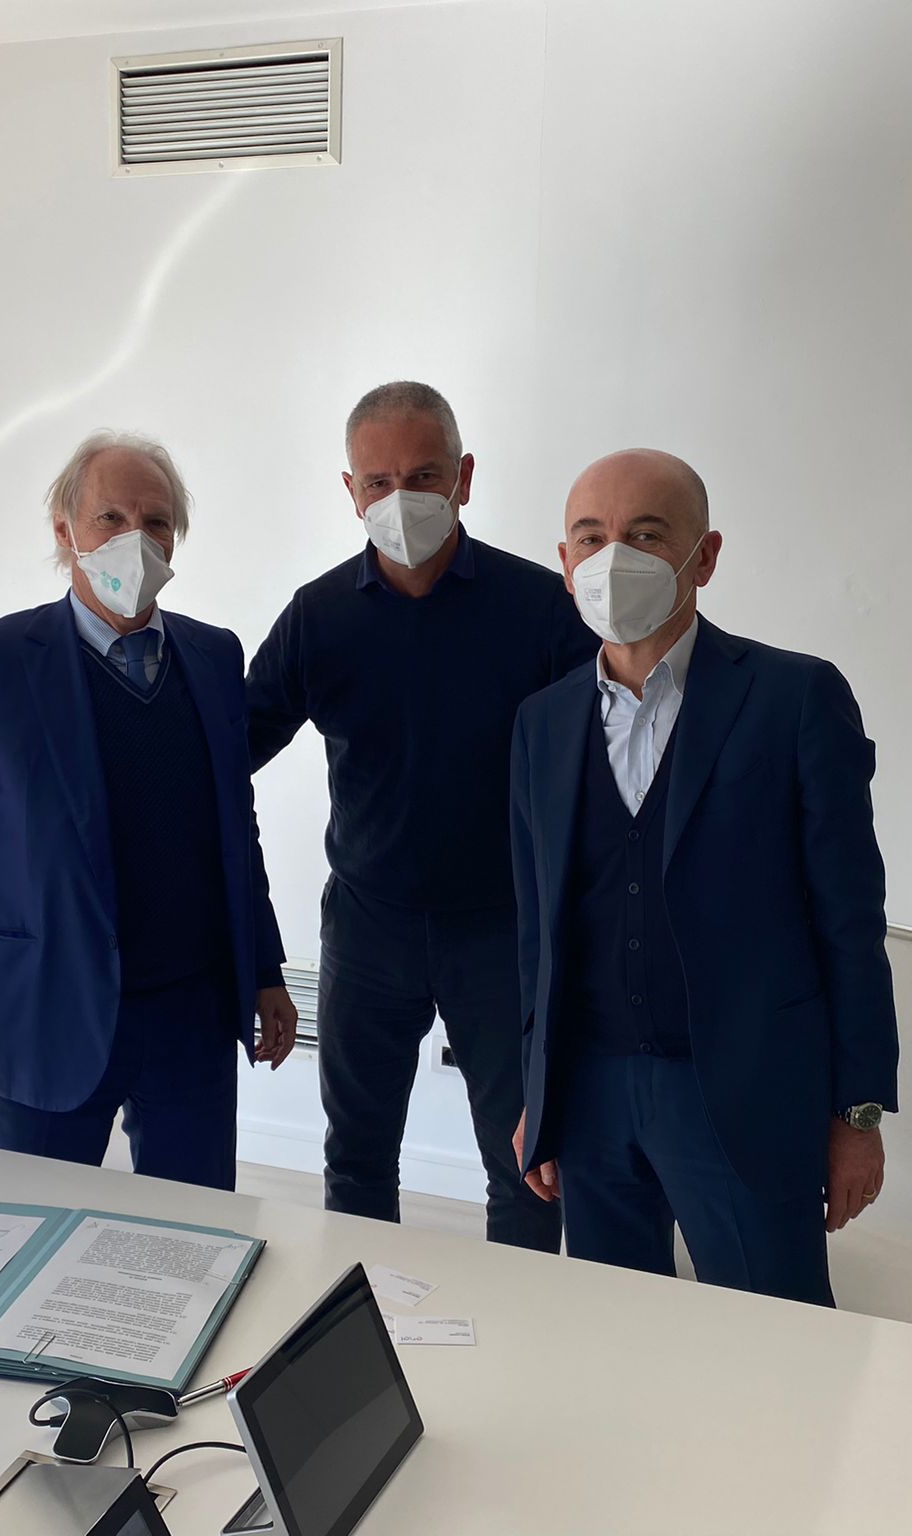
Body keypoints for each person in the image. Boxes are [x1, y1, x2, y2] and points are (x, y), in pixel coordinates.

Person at [509, 449, 898, 1303]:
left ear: (705, 555)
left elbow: (849, 922)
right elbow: (539, 930)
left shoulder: (796, 699)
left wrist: (858, 1114)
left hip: (742, 1092)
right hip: (592, 1094)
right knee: (621, 1334)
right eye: (592, 537)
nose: (616, 558)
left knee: (777, 1339)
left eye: (647, 535)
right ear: (566, 562)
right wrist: (538, 1093)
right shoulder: (542, 723)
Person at [0, 431, 298, 1190]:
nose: (135, 538)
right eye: (111, 517)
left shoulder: (213, 657)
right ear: (64, 529)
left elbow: (236, 828)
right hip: (43, 1015)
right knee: (26, 1228)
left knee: (192, 1236)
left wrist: (264, 968)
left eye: (156, 521)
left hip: (190, 1019)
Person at [247, 382, 595, 1249]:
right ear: (351, 492)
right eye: (379, 482)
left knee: (527, 1166)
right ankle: (364, 1316)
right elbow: (225, 754)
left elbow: (610, 769)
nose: (400, 499)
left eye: (424, 475)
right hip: (369, 928)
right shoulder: (319, 617)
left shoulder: (541, 609)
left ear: (464, 478)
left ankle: (517, 1323)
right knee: (357, 1161)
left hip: (504, 933)